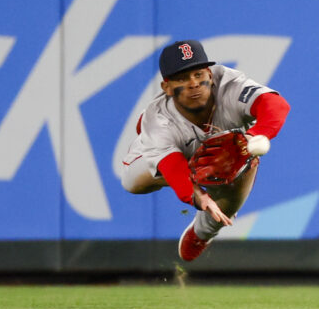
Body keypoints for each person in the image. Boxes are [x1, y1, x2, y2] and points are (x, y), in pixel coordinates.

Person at [121, 40, 290, 261]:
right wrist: (199, 197)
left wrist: (253, 136)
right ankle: (196, 175)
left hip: (232, 154)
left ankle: (202, 233)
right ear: (167, 87)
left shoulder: (230, 84)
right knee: (132, 182)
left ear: (210, 74)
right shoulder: (158, 118)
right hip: (172, 151)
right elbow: (172, 166)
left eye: (199, 74)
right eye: (182, 78)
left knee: (226, 205)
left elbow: (275, 105)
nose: (194, 84)